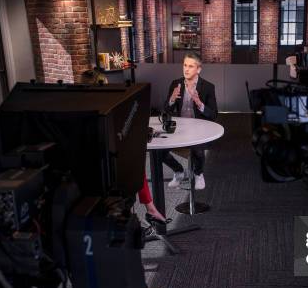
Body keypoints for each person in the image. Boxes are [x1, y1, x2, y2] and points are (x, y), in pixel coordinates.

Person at [81, 68, 168, 225]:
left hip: (84, 176)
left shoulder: (78, 110)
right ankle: (150, 208)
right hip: (109, 177)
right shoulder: (107, 113)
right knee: (133, 160)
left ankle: (150, 208)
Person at [162, 52, 217, 190]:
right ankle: (179, 171)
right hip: (179, 128)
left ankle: (198, 173)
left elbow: (214, 114)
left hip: (199, 128)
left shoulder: (208, 87)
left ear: (198, 69)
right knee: (160, 152)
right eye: (185, 65)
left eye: (191, 66)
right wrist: (172, 99)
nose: (186, 69)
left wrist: (199, 103)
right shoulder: (176, 84)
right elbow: (165, 111)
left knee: (198, 151)